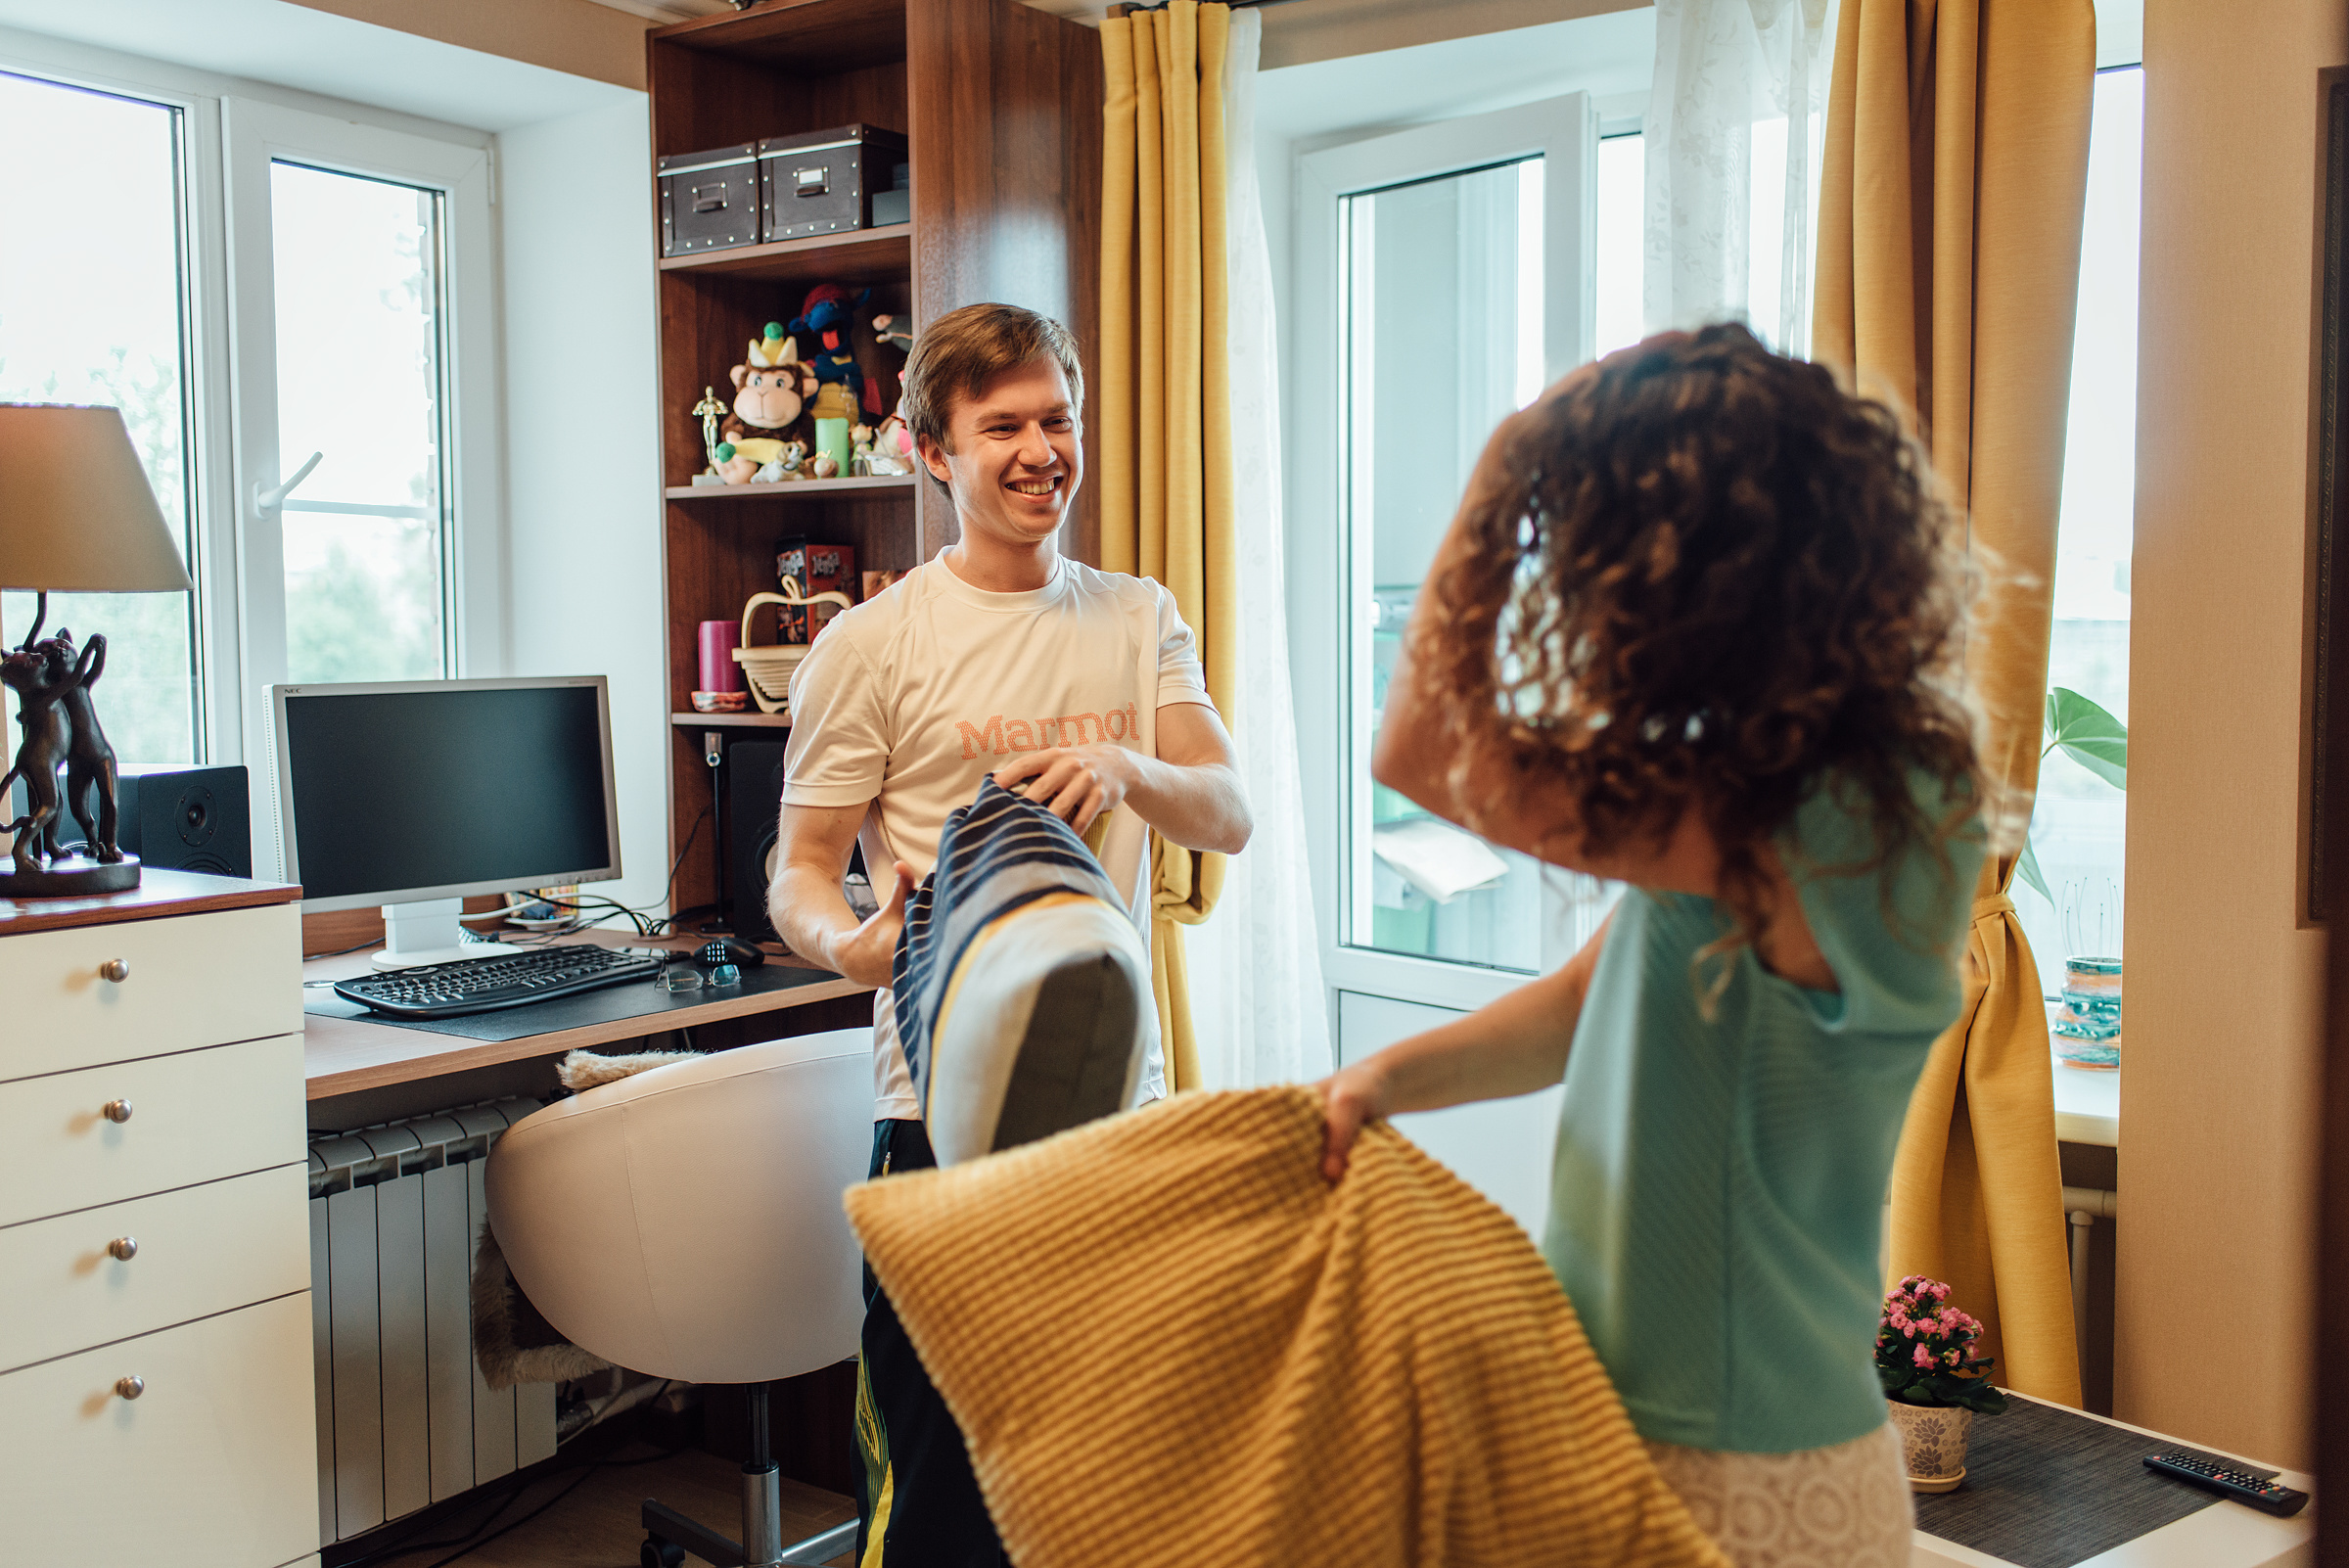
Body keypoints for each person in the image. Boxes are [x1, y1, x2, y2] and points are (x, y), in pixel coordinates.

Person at [1320, 323, 1989, 1568]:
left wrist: (1503, 466)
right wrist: (1383, 1081)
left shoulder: (1845, 805)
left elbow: (1417, 753)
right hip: (1649, 1430)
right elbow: (1594, 1002)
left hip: (1741, 1471)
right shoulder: (1766, 783)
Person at [770, 301, 1253, 1567]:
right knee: (943, 1508)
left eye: (1059, 419)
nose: (1043, 450)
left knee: (1100, 1490)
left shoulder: (1136, 615)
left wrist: (1125, 762)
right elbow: (799, 873)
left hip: (1114, 1110)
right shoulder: (869, 647)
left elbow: (1232, 809)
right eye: (1005, 427)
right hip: (938, 1123)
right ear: (933, 450)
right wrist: (853, 945)